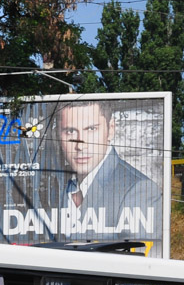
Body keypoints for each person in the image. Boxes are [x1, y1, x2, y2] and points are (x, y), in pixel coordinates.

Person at [55, 100, 160, 234]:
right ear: (58, 134)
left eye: (91, 129)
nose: (80, 146)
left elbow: (140, 252)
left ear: (110, 130)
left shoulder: (140, 190)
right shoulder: (54, 188)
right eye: (70, 131)